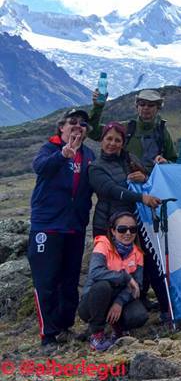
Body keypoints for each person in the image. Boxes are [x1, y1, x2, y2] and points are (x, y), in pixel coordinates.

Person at [28, 108, 95, 349]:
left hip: (74, 227)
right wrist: (63, 155)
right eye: (72, 123)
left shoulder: (88, 155)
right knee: (46, 281)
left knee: (69, 281)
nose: (78, 126)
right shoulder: (50, 149)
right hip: (47, 226)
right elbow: (40, 167)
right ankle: (48, 334)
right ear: (62, 128)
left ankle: (65, 327)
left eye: (83, 124)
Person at [87, 122, 165, 322]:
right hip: (107, 224)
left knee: (142, 262)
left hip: (132, 223)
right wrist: (141, 198)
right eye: (109, 139)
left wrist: (144, 176)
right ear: (102, 140)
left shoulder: (130, 159)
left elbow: (148, 181)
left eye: (117, 140)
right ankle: (101, 311)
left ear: (123, 143)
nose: (112, 144)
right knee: (109, 267)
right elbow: (111, 190)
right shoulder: (95, 167)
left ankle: (138, 302)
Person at [78, 212, 148, 351]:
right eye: (122, 229)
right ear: (113, 231)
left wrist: (119, 302)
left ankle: (118, 329)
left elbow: (137, 285)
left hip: (119, 300)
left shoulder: (137, 253)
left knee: (139, 316)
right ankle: (97, 334)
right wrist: (125, 277)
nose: (128, 233)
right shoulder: (103, 245)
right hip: (93, 302)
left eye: (132, 229)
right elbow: (95, 272)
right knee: (102, 286)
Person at [88, 88, 177, 166]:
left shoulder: (162, 132)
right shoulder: (125, 127)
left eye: (151, 105)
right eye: (142, 104)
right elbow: (92, 132)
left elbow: (174, 161)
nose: (146, 108)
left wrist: (166, 163)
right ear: (137, 106)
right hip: (124, 181)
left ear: (158, 108)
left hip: (154, 182)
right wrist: (97, 107)